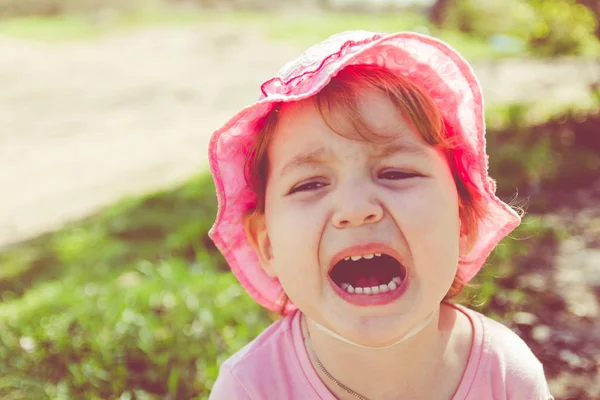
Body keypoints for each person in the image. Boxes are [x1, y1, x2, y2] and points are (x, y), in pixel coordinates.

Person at [207, 31, 553, 399]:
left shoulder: (505, 375)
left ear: (463, 222)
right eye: (309, 184)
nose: (356, 210)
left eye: (396, 173)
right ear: (268, 244)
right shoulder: (251, 388)